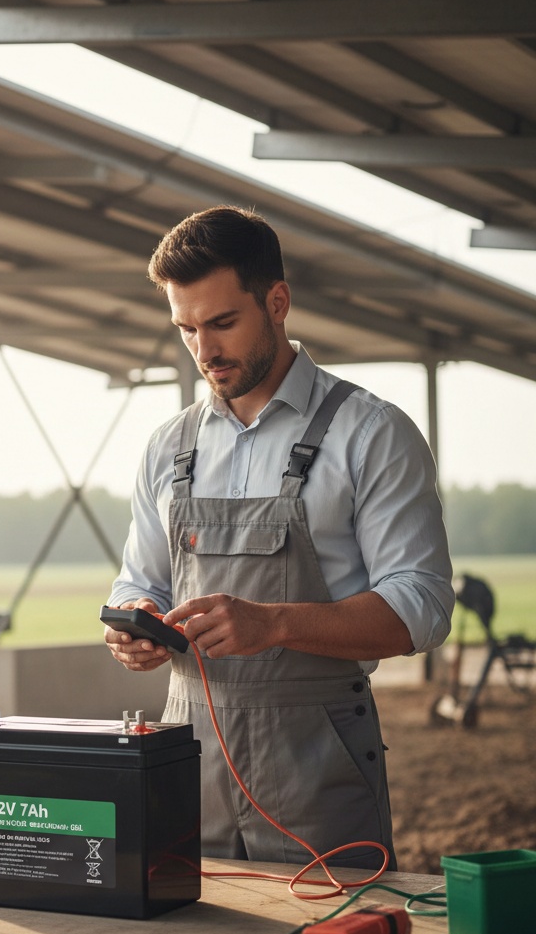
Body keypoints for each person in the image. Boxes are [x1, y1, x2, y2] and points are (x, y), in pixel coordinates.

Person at [105, 205, 454, 869]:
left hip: (317, 761)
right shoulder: (167, 446)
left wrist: (273, 624)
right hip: (188, 755)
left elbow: (423, 608)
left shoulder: (371, 434)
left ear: (277, 303)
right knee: (188, 927)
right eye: (186, 329)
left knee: (331, 930)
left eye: (222, 323)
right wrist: (135, 622)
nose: (204, 351)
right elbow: (138, 583)